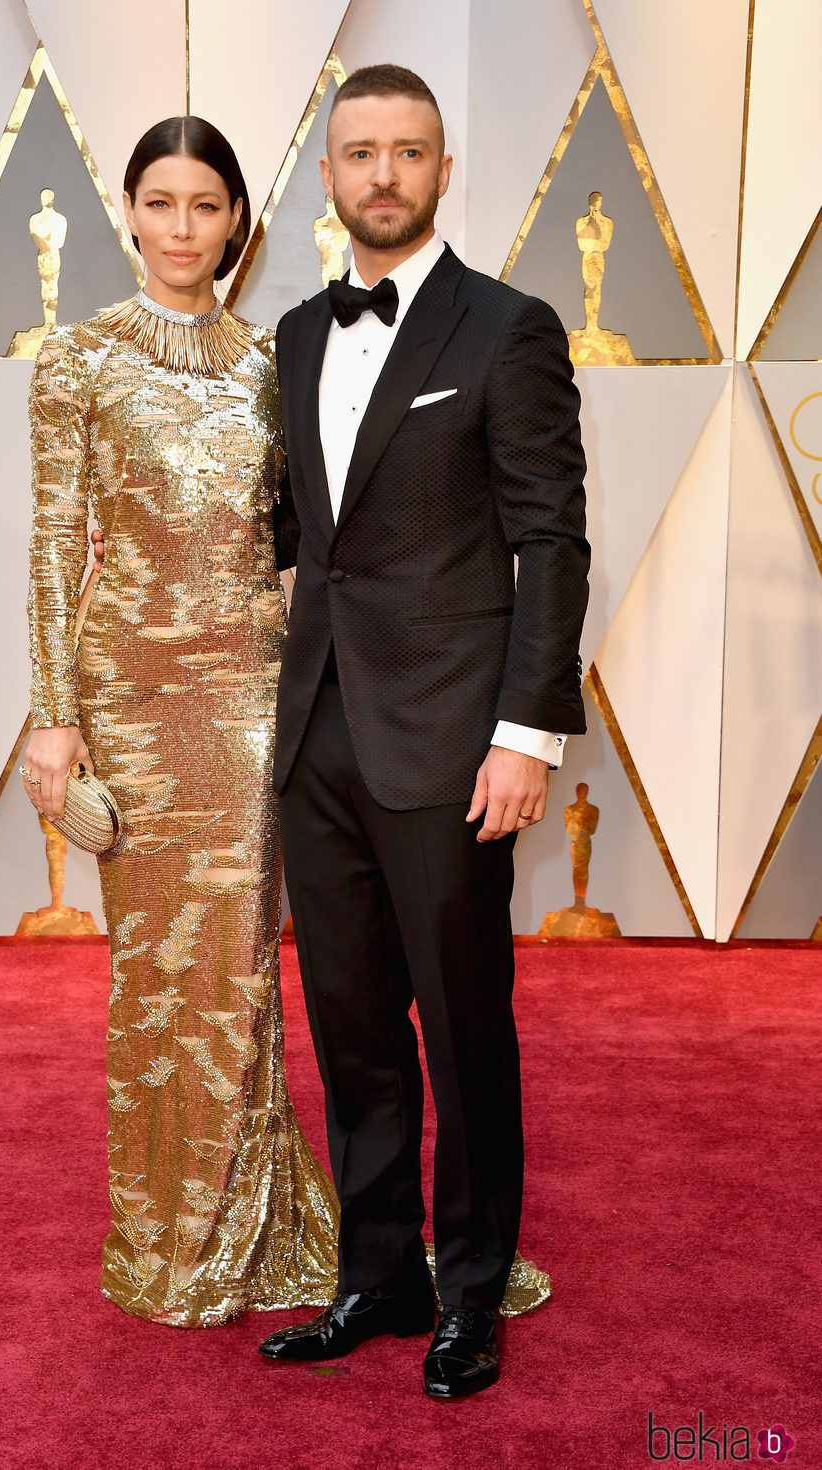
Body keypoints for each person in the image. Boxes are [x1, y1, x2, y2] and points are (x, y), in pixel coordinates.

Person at [256, 65, 590, 1399]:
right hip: (320, 732)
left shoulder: (508, 327)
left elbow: (549, 540)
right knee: (351, 1026)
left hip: (456, 740)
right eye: (359, 152)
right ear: (328, 176)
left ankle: (470, 1295)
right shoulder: (291, 331)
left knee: (464, 1024)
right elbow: (306, 530)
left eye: (408, 152)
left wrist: (525, 732)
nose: (382, 174)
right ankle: (376, 1276)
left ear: (443, 171)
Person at [20, 116, 338, 1327]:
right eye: (160, 203)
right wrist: (54, 717)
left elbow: (299, 537)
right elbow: (55, 543)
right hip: (133, 696)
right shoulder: (78, 358)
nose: (181, 230)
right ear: (129, 212)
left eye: (205, 207)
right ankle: (167, 1233)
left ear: (236, 224)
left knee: (240, 968)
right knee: (153, 975)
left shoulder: (271, 359)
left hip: (252, 693)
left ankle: (244, 1224)